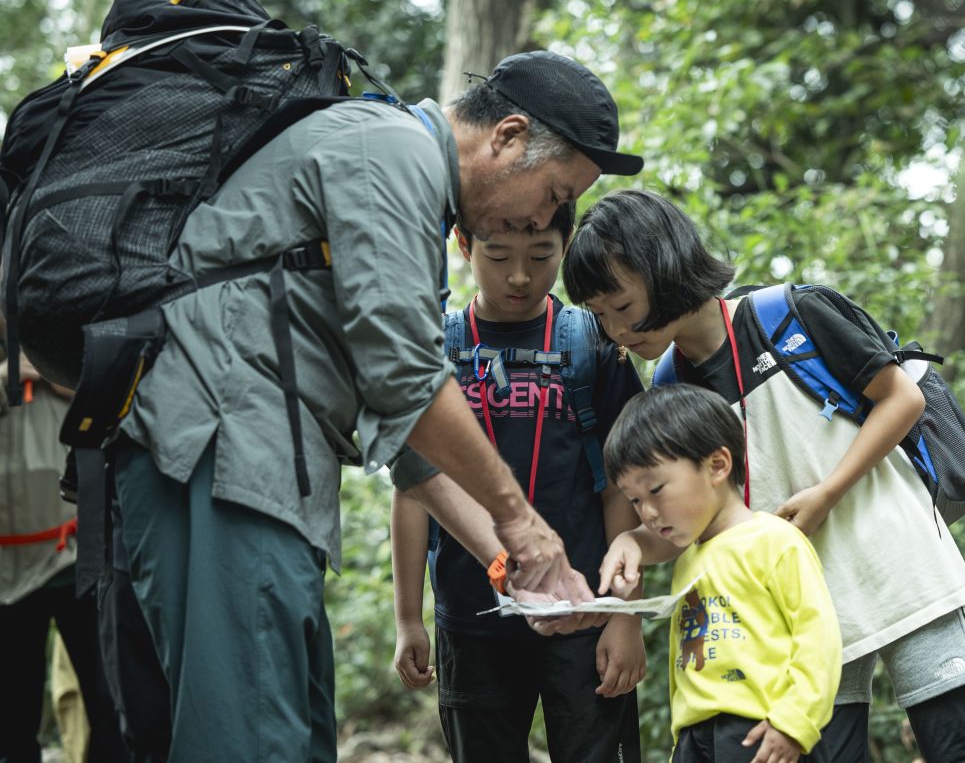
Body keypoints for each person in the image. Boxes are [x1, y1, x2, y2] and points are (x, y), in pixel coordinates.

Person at [106, 50, 643, 762]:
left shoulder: (406, 191)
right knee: (249, 735)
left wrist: (511, 558)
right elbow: (407, 381)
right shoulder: (390, 154)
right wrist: (524, 524)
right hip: (218, 452)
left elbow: (403, 436)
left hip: (261, 470)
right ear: (507, 137)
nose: (548, 215)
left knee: (292, 728)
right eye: (552, 192)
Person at [564, 190, 965, 763]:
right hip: (800, 599)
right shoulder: (670, 386)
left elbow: (902, 399)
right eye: (599, 316)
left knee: (958, 745)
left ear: (661, 267)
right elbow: (695, 520)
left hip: (895, 563)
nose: (616, 331)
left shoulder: (787, 314)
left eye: (620, 305)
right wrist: (631, 542)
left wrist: (826, 493)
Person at [390, 200, 645, 762]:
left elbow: (623, 485)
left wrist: (625, 619)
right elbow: (412, 488)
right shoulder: (435, 351)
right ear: (463, 245)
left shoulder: (594, 342)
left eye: (542, 255)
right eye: (498, 256)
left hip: (586, 612)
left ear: (566, 245)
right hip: (471, 618)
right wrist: (408, 617)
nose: (520, 276)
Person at [600, 384, 841, 763]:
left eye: (656, 490)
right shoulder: (688, 558)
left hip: (763, 730)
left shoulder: (775, 540)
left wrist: (794, 722)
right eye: (634, 500)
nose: (646, 512)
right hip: (696, 737)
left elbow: (819, 640)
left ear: (717, 465)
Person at [0, 349, 128, 763]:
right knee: (12, 719)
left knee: (110, 701)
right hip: (5, 575)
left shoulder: (52, 323)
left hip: (77, 554)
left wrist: (60, 371)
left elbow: (120, 394)